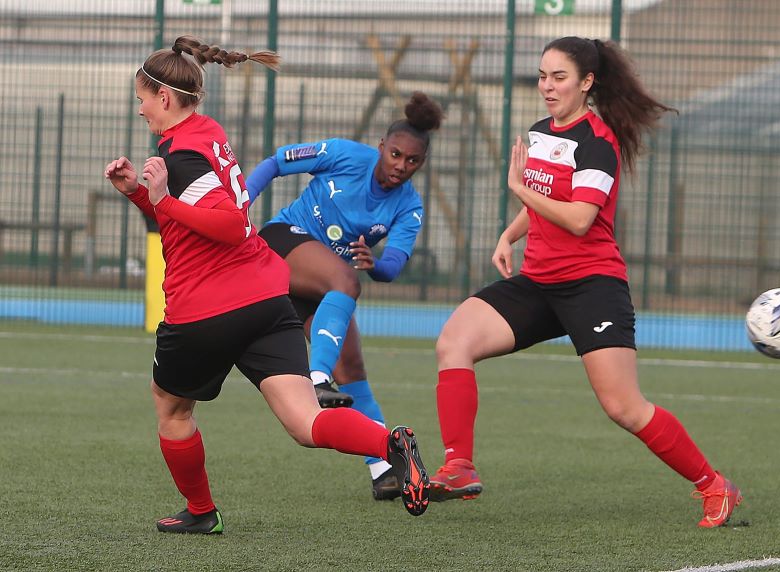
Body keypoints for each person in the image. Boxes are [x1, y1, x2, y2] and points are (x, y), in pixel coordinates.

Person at [103, 36, 429, 533]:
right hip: (265, 296)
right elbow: (195, 218)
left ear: (164, 98)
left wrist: (162, 199)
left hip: (204, 308)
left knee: (171, 409)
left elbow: (230, 223)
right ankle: (388, 444)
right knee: (305, 422)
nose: (141, 109)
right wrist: (141, 195)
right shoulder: (207, 132)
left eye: (143, 99)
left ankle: (201, 512)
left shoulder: (181, 156)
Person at [428, 36, 742, 528]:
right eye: (542, 76)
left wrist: (516, 188)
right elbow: (542, 198)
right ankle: (459, 466)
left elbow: (578, 218)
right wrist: (510, 233)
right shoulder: (540, 132)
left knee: (623, 407)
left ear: (586, 82)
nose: (546, 87)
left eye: (559, 78)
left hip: (592, 286)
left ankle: (713, 484)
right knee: (453, 342)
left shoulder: (599, 142)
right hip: (539, 283)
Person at [244, 92, 443, 501]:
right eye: (395, 155)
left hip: (320, 283)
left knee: (352, 368)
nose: (401, 167)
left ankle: (385, 468)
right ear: (380, 148)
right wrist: (239, 201)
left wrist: (375, 262)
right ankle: (317, 378)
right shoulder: (343, 154)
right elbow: (276, 163)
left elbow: (392, 268)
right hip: (282, 243)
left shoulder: (409, 206)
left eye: (412, 161)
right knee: (346, 283)